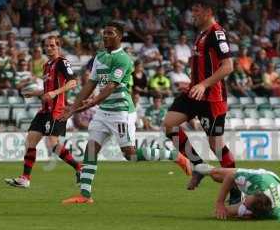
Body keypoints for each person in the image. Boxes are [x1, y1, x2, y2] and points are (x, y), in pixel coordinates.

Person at [59, 22, 190, 204]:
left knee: (130, 154)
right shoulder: (99, 57)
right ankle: (85, 195)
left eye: (110, 33)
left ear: (120, 36)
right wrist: (74, 106)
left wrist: (80, 108)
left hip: (121, 112)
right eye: (104, 33)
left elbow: (110, 88)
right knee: (91, 148)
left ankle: (174, 156)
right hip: (104, 112)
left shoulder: (124, 59)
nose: (105, 36)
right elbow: (90, 84)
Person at [163, 0, 241, 203]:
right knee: (170, 124)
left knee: (216, 145)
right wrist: (194, 83)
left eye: (196, 11)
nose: (193, 15)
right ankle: (198, 166)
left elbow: (228, 66)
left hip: (212, 97)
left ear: (208, 12)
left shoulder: (217, 33)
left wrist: (203, 85)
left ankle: (235, 190)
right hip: (194, 92)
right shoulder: (202, 34)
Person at [4, 35, 81, 188]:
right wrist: (35, 93)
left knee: (52, 143)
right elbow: (47, 90)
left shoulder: (62, 62)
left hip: (56, 110)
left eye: (52, 45)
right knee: (30, 141)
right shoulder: (47, 65)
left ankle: (80, 167)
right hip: (44, 110)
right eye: (47, 46)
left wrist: (54, 93)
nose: (49, 48)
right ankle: (25, 178)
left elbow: (73, 82)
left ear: (58, 46)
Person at [194, 164, 280, 221]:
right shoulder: (257, 180)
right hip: (267, 178)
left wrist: (250, 218)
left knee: (220, 214)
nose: (245, 200)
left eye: (245, 202)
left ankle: (236, 194)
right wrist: (220, 203)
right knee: (217, 176)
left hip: (265, 193)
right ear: (255, 192)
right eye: (246, 198)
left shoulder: (276, 215)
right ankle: (204, 171)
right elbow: (230, 176)